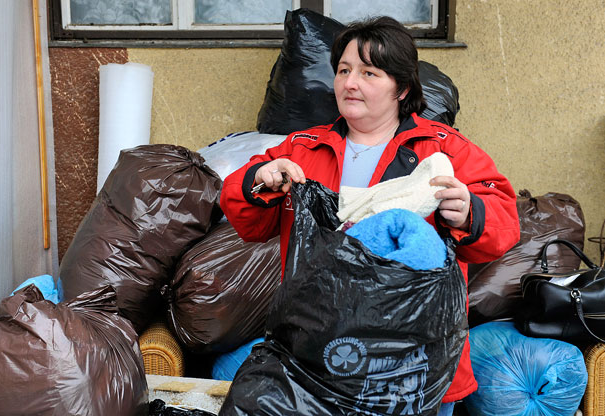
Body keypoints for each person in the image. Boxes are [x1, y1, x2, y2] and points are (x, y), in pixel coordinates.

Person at [221, 16, 520, 415]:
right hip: (319, 361)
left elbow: (503, 227)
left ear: (403, 88)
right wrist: (259, 180)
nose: (350, 82)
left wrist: (469, 213)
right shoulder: (303, 150)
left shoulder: (444, 151)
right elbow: (247, 220)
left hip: (417, 364)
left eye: (369, 72)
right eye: (343, 70)